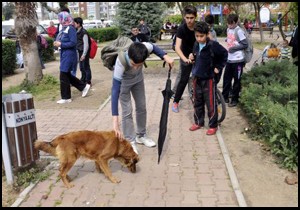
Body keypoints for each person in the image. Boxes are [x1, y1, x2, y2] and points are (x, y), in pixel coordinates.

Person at [111, 42, 174, 154]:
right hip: (124, 84)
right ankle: (130, 141)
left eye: (139, 65)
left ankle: (141, 135)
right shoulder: (121, 62)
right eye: (133, 64)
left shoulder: (145, 48)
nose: (135, 67)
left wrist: (165, 56)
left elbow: (154, 47)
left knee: (141, 107)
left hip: (138, 81)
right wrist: (115, 122)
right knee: (127, 111)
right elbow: (115, 91)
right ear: (129, 57)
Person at [188, 21, 227, 135]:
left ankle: (213, 125)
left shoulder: (213, 45)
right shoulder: (196, 44)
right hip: (196, 77)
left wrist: (218, 67)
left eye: (202, 36)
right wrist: (192, 57)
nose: (199, 38)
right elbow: (195, 56)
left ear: (207, 34)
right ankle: (199, 122)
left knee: (210, 103)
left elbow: (224, 54)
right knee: (197, 101)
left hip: (209, 78)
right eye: (197, 36)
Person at [53, 11, 90, 104]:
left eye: (60, 18)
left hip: (70, 55)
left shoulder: (70, 29)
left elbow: (73, 43)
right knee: (67, 75)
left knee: (63, 75)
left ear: (64, 19)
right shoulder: (64, 28)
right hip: (65, 54)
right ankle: (83, 87)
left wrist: (61, 44)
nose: (59, 20)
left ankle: (66, 97)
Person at [172, 5, 197, 113]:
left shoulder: (199, 26)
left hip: (197, 55)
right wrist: (185, 59)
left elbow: (208, 39)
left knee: (200, 78)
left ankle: (198, 99)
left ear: (195, 17)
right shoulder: (182, 29)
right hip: (185, 56)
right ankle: (175, 102)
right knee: (183, 79)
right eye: (187, 18)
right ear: (184, 17)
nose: (189, 20)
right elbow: (177, 47)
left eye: (191, 18)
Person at [222, 14, 248, 107]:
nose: (230, 25)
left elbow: (245, 44)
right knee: (226, 79)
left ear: (236, 22)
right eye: (228, 24)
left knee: (237, 80)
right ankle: (224, 97)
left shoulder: (239, 31)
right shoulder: (228, 29)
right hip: (229, 59)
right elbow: (231, 39)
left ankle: (235, 99)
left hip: (238, 61)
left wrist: (234, 48)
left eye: (231, 24)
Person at [74, 17, 92, 85]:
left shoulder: (84, 32)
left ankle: (88, 81)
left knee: (86, 66)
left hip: (84, 52)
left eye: (75, 23)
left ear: (78, 24)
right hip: (80, 51)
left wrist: (84, 54)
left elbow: (86, 44)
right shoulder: (77, 31)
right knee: (81, 67)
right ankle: (83, 79)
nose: (74, 24)